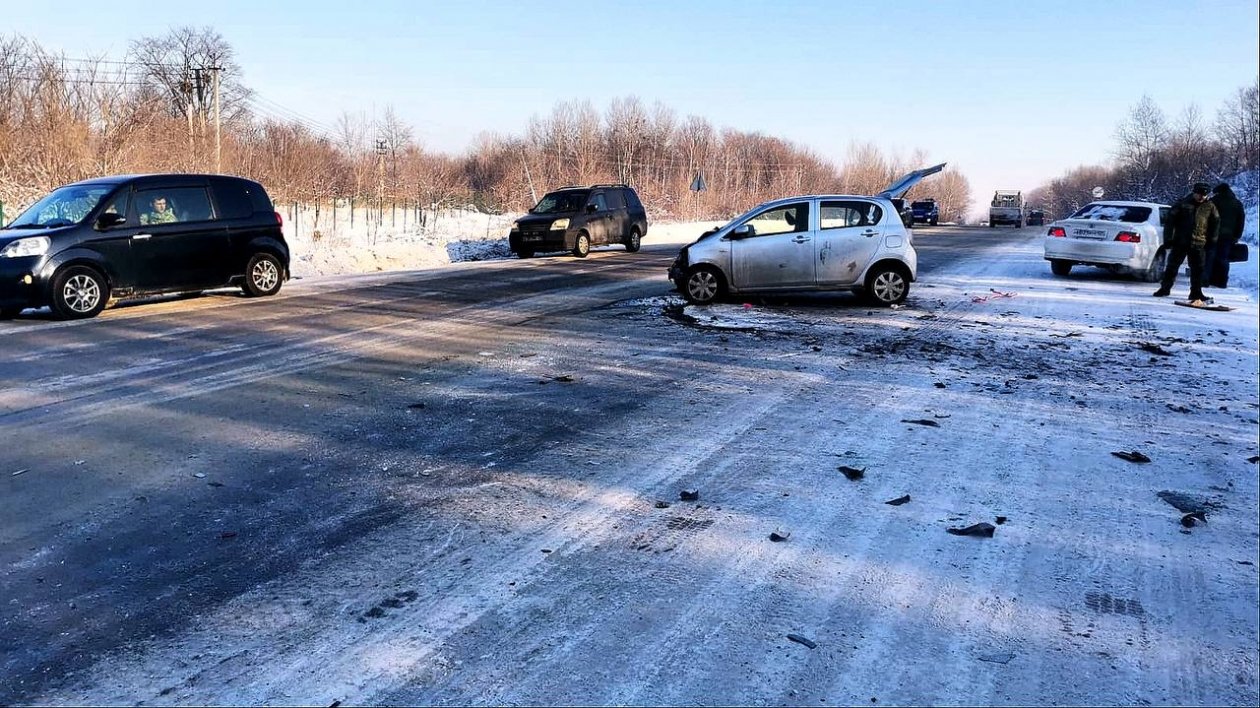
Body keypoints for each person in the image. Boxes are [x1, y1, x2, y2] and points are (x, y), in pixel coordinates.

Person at [1153, 181, 1219, 305]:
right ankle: (1164, 288)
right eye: (1199, 194)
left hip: (1199, 242)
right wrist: (1168, 239)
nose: (1201, 197)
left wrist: (1212, 240)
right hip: (1180, 241)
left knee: (1198, 270)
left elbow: (1215, 223)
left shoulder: (1210, 207)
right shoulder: (1182, 204)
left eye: (1204, 195)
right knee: (1172, 266)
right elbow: (1170, 222)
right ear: (1194, 192)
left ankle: (1196, 292)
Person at [1207, 183, 1245, 288]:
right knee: (1223, 258)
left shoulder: (1213, 202)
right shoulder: (1237, 203)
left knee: (1209, 257)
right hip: (1228, 237)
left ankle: (1206, 280)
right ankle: (1222, 282)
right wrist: (1237, 236)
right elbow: (1240, 221)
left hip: (1212, 234)